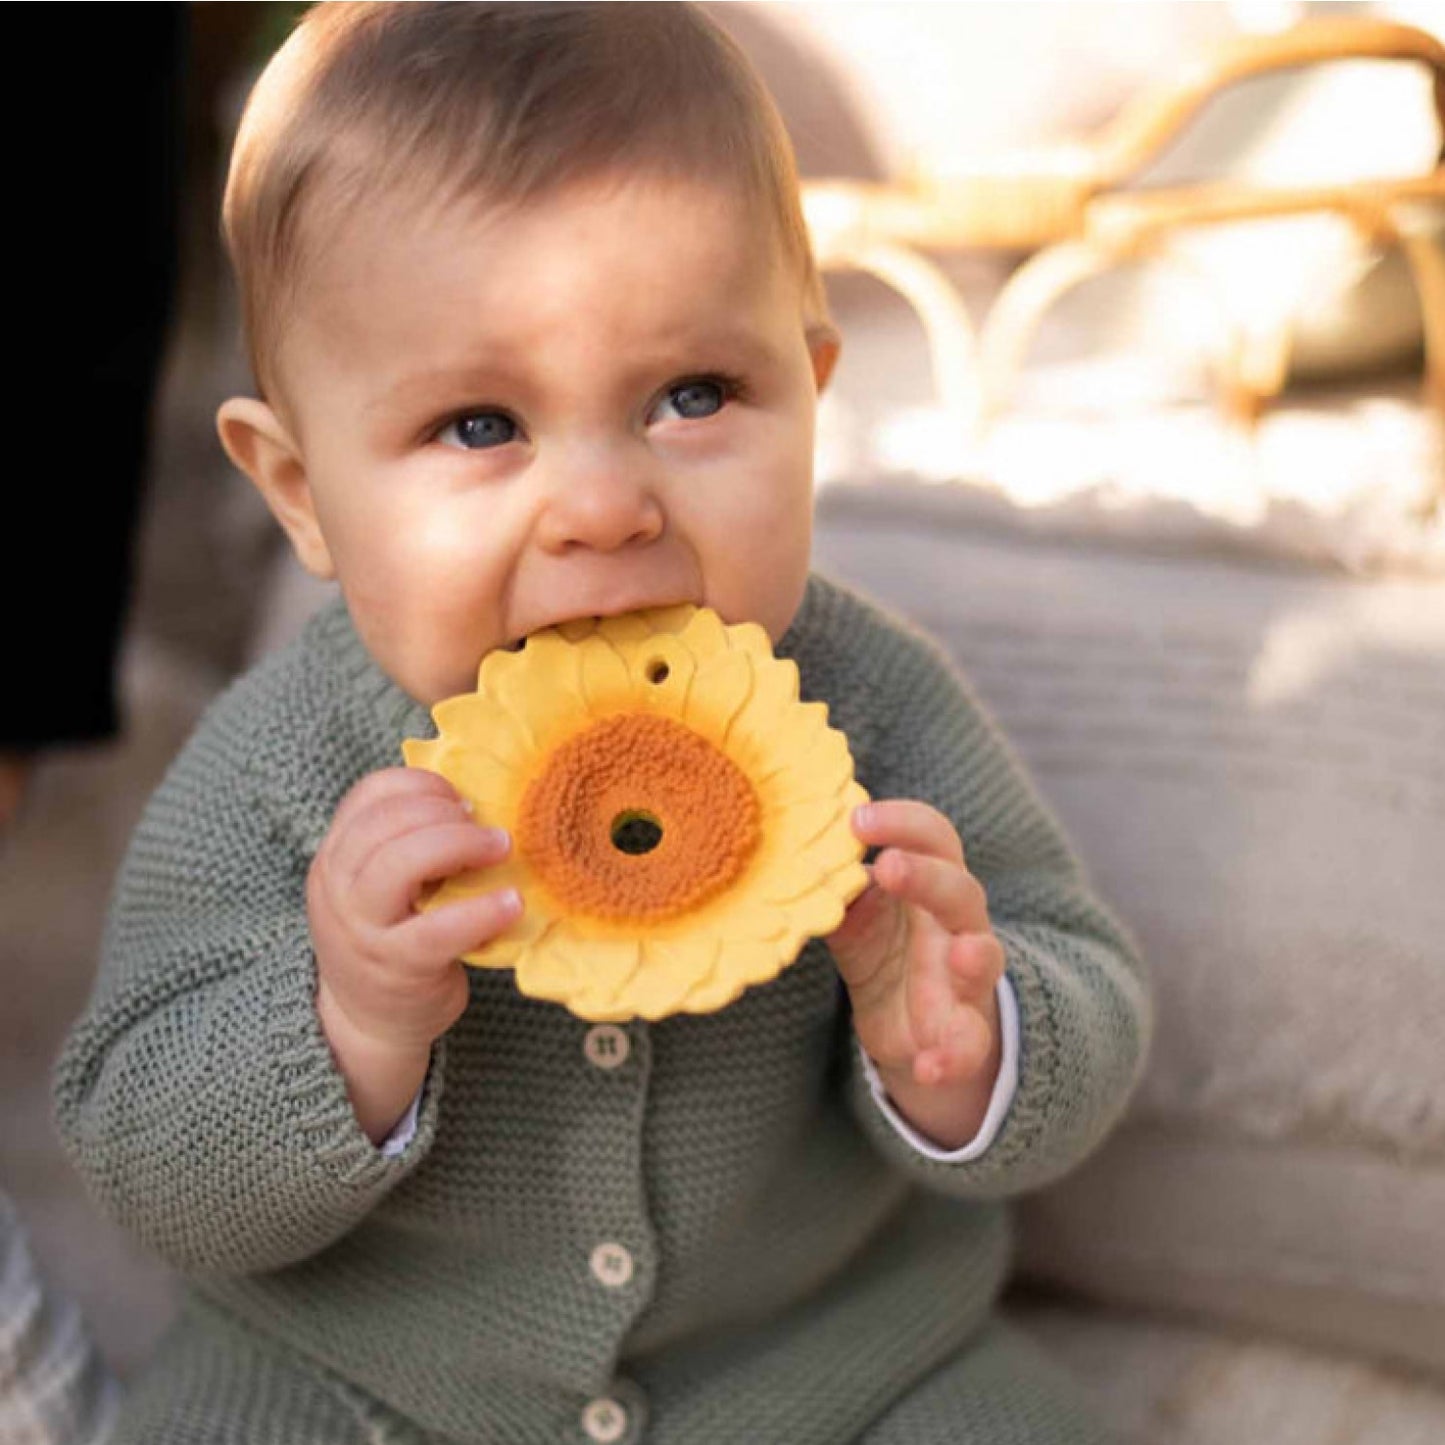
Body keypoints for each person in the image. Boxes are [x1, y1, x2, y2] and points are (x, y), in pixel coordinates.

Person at [53, 6, 1150, 1441]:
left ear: (810, 400)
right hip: (366, 1375)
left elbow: (1085, 986)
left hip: (827, 1369)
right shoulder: (285, 771)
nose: (603, 507)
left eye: (693, 395)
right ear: (302, 490)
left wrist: (965, 1037)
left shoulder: (866, 705)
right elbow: (140, 1154)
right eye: (478, 424)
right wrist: (341, 1024)